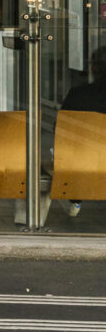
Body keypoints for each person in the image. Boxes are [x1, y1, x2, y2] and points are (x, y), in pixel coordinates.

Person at [59, 45, 106, 217]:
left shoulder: (78, 94)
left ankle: (75, 199)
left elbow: (61, 129)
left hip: (81, 161)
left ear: (94, 68)